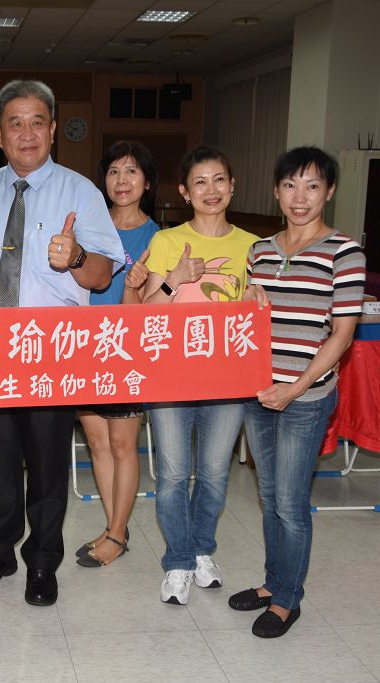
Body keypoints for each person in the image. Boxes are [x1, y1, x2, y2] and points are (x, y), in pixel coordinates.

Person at [0, 79, 125, 606]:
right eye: (16, 123)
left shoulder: (81, 192)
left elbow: (102, 276)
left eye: (37, 122)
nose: (27, 133)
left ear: (53, 130)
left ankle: (41, 561)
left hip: (51, 353)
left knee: (49, 466)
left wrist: (75, 257)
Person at [229, 146, 365, 638]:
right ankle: (273, 582)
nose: (300, 197)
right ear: (276, 191)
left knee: (290, 502)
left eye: (312, 186)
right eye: (290, 185)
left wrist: (297, 386)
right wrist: (247, 300)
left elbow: (342, 335)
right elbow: (252, 319)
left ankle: (288, 600)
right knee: (269, 495)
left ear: (329, 192)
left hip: (305, 397)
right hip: (258, 392)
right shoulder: (260, 251)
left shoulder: (344, 252)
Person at [142, 145, 266, 606]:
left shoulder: (254, 247)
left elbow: (260, 317)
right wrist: (175, 278)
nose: (210, 190)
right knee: (174, 474)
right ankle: (178, 560)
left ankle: (201, 551)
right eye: (200, 182)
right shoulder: (166, 241)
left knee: (214, 473)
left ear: (232, 186)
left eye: (219, 180)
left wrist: (258, 302)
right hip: (171, 377)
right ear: (184, 191)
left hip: (227, 380)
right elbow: (146, 315)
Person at [74, 140, 160, 568]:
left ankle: (118, 534)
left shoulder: (157, 237)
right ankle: (113, 527)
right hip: (82, 345)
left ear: (147, 181)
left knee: (124, 444)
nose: (121, 180)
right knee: (96, 441)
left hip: (127, 351)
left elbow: (156, 306)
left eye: (131, 171)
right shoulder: (87, 226)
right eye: (113, 171)